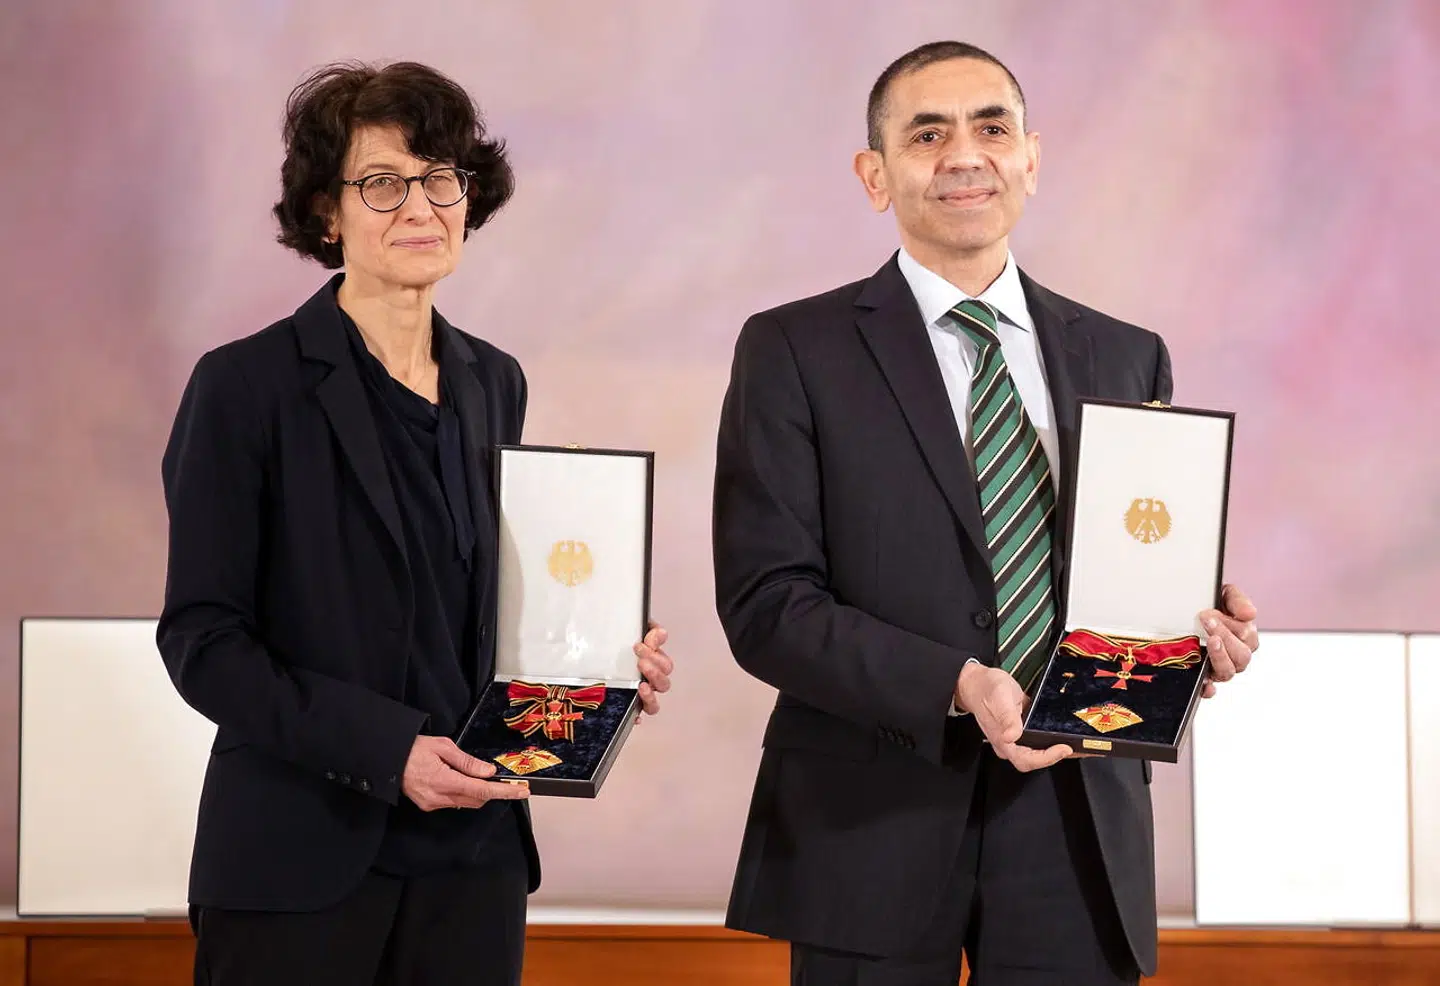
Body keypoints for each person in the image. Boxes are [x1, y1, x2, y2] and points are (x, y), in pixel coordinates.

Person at [713, 41, 1259, 986]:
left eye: (991, 127)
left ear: (1031, 159)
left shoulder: (1129, 356)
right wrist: (959, 682)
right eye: (928, 134)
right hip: (869, 820)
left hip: (1078, 816)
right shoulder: (793, 350)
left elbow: (1132, 561)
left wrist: (1192, 628)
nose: (965, 155)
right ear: (875, 176)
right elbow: (768, 606)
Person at [157, 61, 674, 986]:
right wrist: (385, 751)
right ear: (327, 212)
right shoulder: (244, 387)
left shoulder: (494, 380)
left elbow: (478, 604)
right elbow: (204, 641)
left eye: (442, 180)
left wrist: (595, 655)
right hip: (299, 861)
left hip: (473, 861)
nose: (421, 208)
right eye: (383, 183)